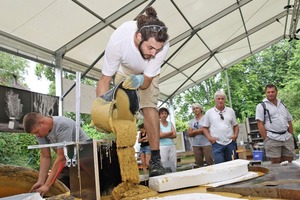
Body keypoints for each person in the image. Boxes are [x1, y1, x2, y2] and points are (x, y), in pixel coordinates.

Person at [96, 6, 169, 177]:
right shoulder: (118, 40)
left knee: (149, 106)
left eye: (157, 50)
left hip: (147, 75)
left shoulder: (162, 45)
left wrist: (140, 80)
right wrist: (102, 109)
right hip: (124, 70)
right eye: (150, 48)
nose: (154, 53)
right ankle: (121, 158)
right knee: (119, 110)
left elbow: (146, 84)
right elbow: (104, 80)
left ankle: (156, 159)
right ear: (138, 36)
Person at [23, 112, 90, 197]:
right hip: (70, 162)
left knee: (81, 192)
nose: (37, 135)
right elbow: (45, 156)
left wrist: (47, 185)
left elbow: (62, 158)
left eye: (36, 132)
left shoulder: (62, 125)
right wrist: (40, 181)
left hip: (87, 161)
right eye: (34, 134)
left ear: (42, 122)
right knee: (57, 188)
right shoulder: (41, 133)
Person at [255, 83, 294, 163]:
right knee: (276, 163)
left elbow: (289, 120)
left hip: (286, 137)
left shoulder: (282, 104)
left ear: (276, 92)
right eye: (268, 92)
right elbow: (260, 124)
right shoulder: (261, 106)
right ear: (265, 93)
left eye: (272, 92)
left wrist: (291, 136)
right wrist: (266, 138)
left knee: (289, 162)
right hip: (272, 138)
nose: (270, 94)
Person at [202, 90, 239, 164]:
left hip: (230, 143)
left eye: (222, 99)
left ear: (225, 99)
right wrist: (210, 138)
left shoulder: (230, 111)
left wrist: (235, 136)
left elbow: (236, 125)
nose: (220, 101)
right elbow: (204, 128)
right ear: (215, 100)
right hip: (217, 144)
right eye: (218, 99)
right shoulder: (209, 112)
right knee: (219, 165)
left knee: (232, 164)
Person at [188, 103, 214, 168]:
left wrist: (194, 131)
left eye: (197, 108)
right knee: (199, 164)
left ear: (200, 109)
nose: (195, 110)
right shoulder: (191, 121)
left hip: (206, 143)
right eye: (193, 109)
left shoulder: (206, 118)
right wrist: (201, 130)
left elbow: (207, 130)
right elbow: (190, 134)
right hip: (196, 145)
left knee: (209, 162)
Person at [159, 107, 177, 172]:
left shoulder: (170, 123)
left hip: (171, 145)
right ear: (159, 115)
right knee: (164, 162)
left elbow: (175, 135)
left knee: (173, 162)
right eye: (162, 113)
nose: (164, 115)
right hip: (162, 146)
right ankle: (165, 176)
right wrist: (170, 133)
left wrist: (164, 135)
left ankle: (174, 174)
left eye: (165, 113)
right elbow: (160, 135)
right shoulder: (158, 124)